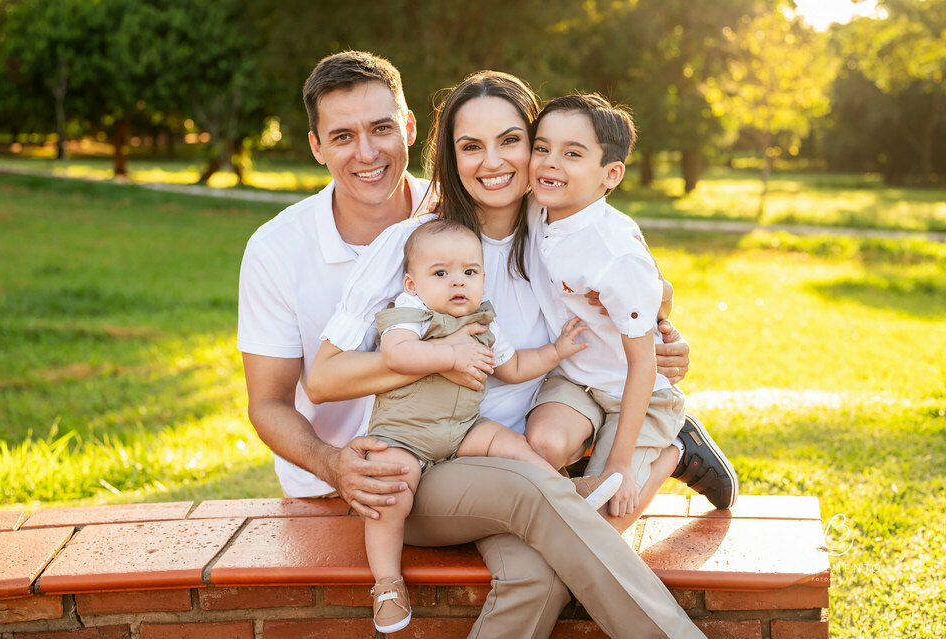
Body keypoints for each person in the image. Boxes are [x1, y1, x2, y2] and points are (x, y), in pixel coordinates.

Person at [243, 51, 705, 638]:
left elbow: (635, 283)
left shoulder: (552, 225)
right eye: (470, 146)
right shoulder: (419, 244)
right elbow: (326, 378)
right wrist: (442, 358)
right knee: (533, 490)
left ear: (535, 148)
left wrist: (664, 328)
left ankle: (666, 450)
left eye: (511, 140)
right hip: (433, 463)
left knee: (537, 575)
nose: (493, 162)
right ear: (448, 154)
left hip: (523, 452)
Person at [353, 218, 621, 632]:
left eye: (469, 272)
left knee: (507, 442)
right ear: (412, 283)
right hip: (403, 436)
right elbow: (398, 356)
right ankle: (387, 584)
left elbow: (512, 367)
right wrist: (453, 355)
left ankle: (564, 488)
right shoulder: (408, 313)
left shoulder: (483, 320)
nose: (457, 282)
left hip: (462, 428)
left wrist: (556, 350)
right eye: (440, 273)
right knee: (393, 489)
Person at [522, 93, 737, 534]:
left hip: (637, 393)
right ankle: (595, 471)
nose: (550, 163)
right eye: (541, 148)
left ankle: (675, 449)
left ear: (611, 174)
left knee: (599, 531)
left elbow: (643, 364)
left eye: (573, 154)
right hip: (576, 379)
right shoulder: (534, 209)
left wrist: (619, 467)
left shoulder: (614, 253)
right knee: (540, 447)